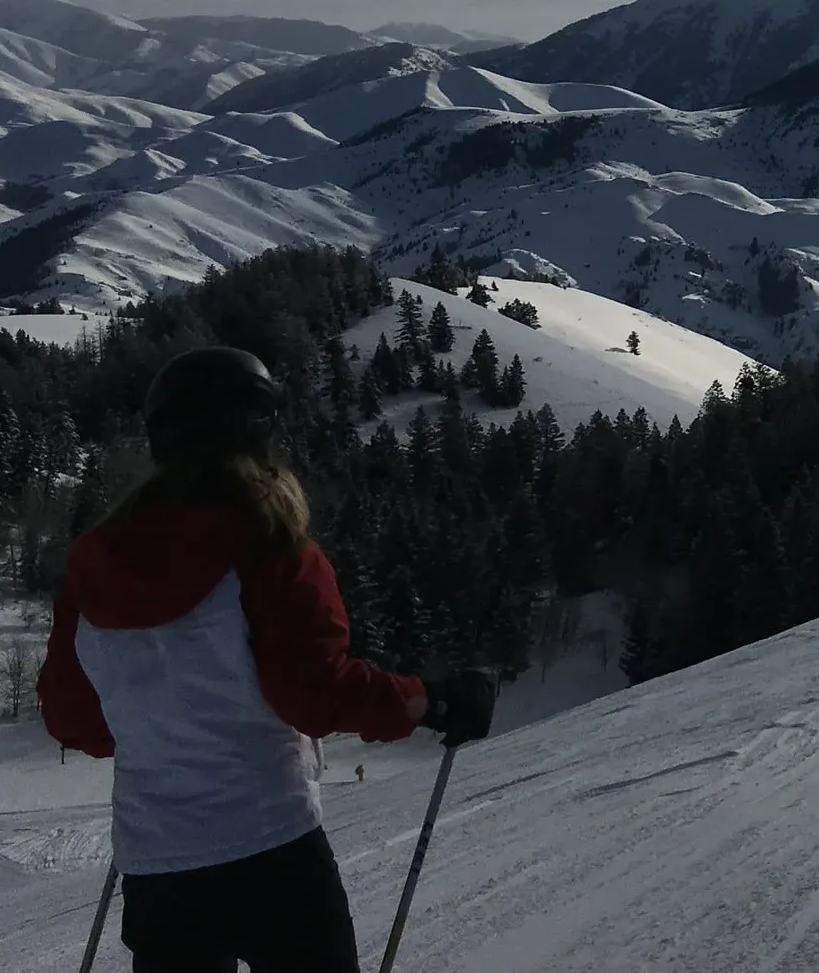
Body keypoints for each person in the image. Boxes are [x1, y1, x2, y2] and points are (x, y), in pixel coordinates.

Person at [38, 345, 497, 972]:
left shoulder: (91, 572)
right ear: (260, 432)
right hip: (271, 852)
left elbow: (75, 721)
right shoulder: (269, 546)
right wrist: (431, 701)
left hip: (158, 871)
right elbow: (313, 694)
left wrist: (159, 726)